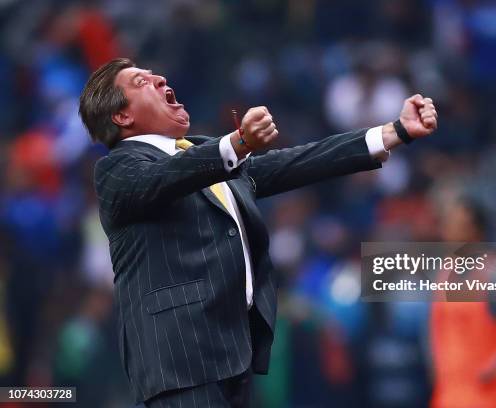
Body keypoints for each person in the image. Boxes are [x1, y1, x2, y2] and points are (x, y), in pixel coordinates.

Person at [78, 58, 438, 407]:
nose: (158, 80)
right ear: (122, 116)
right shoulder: (116, 170)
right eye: (141, 82)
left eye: (154, 74)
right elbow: (165, 178)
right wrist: (236, 144)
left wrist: (394, 132)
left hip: (233, 356)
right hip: (181, 362)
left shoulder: (206, 157)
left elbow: (296, 163)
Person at [430, 199, 496, 408]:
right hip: (448, 396)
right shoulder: (444, 272)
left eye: (455, 225)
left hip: (489, 397)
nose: (447, 231)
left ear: (475, 231)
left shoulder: (495, 275)